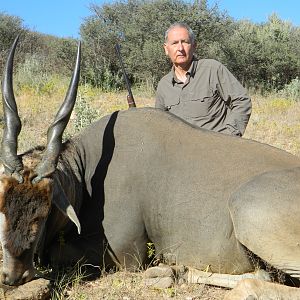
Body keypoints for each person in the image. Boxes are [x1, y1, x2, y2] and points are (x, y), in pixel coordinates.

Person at [155, 22, 252, 136]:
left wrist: (229, 136)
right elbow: (160, 123)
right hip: (181, 150)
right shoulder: (164, 85)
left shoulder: (212, 69)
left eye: (185, 42)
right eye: (175, 43)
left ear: (194, 45)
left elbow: (242, 101)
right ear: (166, 49)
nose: (180, 48)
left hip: (217, 149)